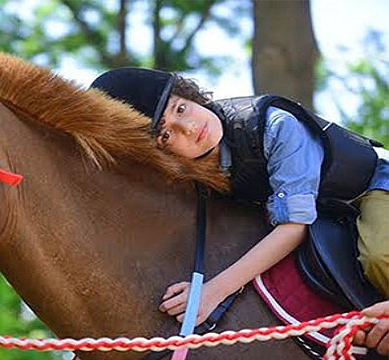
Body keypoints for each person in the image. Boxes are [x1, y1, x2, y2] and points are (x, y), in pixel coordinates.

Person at [90, 68, 389, 328]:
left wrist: (214, 291)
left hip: (369, 184)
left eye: (180, 109)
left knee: (379, 257)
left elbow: (294, 227)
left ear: (189, 94)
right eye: (166, 135)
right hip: (327, 210)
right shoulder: (192, 176)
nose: (191, 128)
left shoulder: (275, 125)